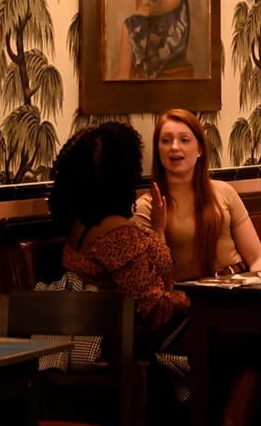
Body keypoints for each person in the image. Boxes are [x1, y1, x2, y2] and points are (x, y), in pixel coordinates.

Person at [51, 122, 187, 334]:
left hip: (109, 335)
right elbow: (151, 311)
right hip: (133, 348)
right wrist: (194, 300)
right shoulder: (119, 236)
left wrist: (158, 229)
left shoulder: (78, 223)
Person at [133, 108, 261, 281]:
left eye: (184, 140)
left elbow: (258, 258)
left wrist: (259, 290)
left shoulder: (224, 191)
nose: (174, 147)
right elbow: (153, 279)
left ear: (200, 149)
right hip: (191, 298)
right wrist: (159, 230)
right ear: (158, 151)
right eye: (166, 140)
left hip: (239, 286)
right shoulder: (147, 207)